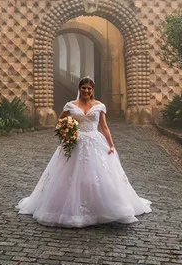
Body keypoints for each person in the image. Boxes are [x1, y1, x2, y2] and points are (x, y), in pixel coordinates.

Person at [16, 76, 152, 228]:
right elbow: (60, 123)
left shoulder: (99, 106)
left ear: (92, 90)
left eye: (89, 88)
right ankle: (71, 209)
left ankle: (102, 208)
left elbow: (104, 127)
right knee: (71, 175)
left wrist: (111, 145)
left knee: (99, 175)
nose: (86, 90)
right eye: (84, 88)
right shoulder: (70, 105)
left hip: (95, 142)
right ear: (79, 89)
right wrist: (67, 133)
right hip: (75, 143)